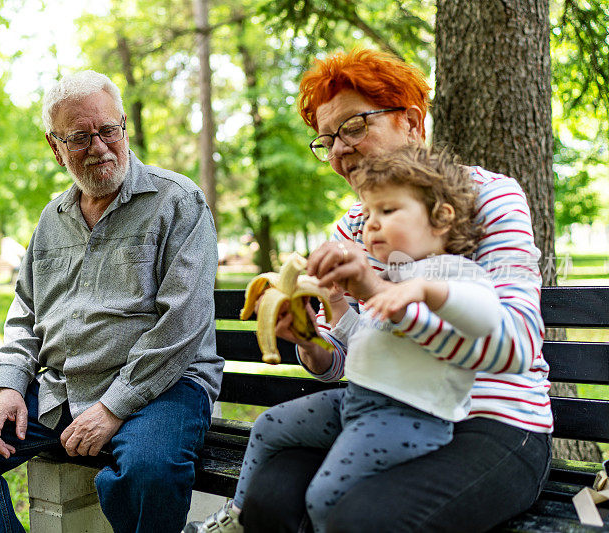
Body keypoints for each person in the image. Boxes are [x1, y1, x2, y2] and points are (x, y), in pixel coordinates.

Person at [218, 48, 550, 533]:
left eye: (354, 127)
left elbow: (513, 346)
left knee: (361, 520)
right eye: (326, 139)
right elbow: (339, 362)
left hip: (493, 420)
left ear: (412, 123)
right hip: (381, 410)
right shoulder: (352, 229)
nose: (337, 151)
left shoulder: (488, 199)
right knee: (270, 504)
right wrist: (309, 340)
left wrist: (384, 294)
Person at [0, 70, 222, 533]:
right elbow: (24, 313)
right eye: (80, 137)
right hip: (63, 388)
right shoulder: (52, 218)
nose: (99, 147)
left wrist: (114, 406)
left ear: (124, 126)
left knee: (147, 472)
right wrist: (10, 386)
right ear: (54, 146)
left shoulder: (178, 201)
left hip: (163, 387)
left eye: (108, 130)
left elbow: (181, 325)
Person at [190, 145, 504, 533]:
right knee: (268, 425)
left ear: (440, 218)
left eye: (387, 211)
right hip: (357, 402)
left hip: (409, 417)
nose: (370, 225)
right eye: (368, 213)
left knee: (325, 496)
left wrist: (427, 291)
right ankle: (237, 520)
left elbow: (487, 318)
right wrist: (335, 304)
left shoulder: (455, 273)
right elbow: (369, 347)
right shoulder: (393, 276)